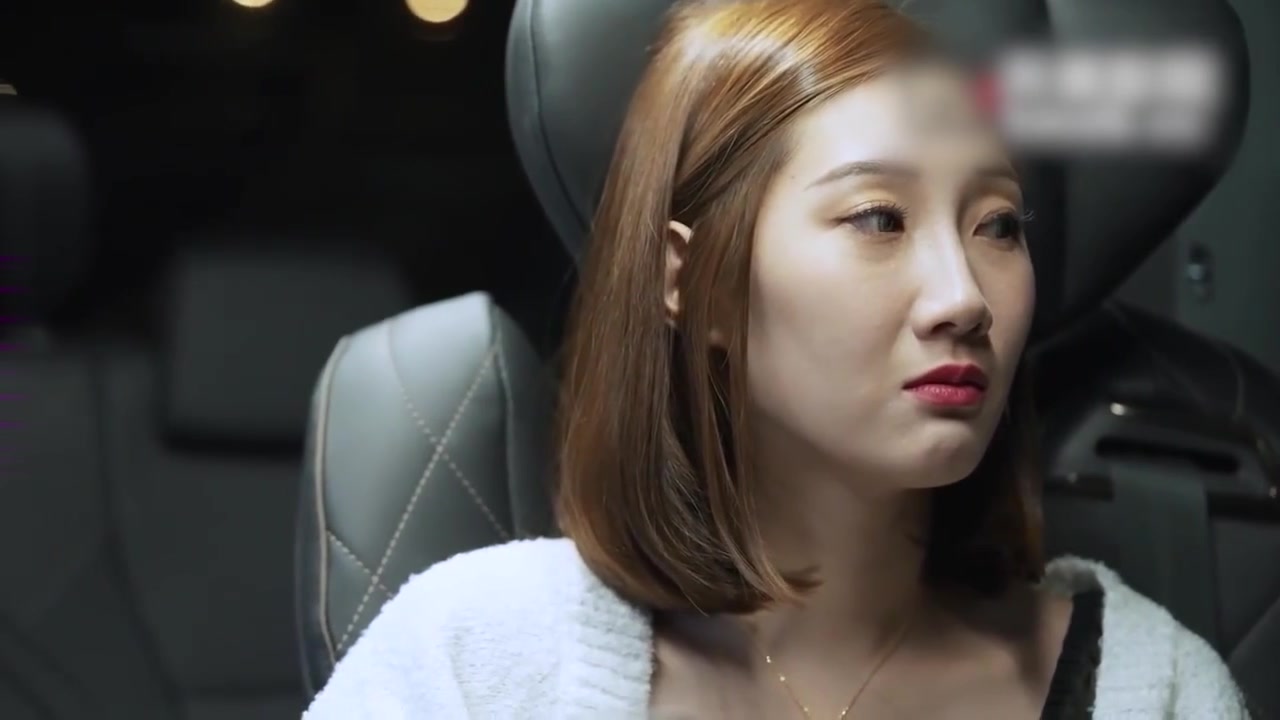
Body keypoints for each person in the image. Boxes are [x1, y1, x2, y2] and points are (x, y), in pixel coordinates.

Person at [304, 0, 1250, 717]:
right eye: (878, 218)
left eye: (998, 225)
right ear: (692, 281)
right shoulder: (473, 659)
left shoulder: (1154, 686)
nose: (964, 296)